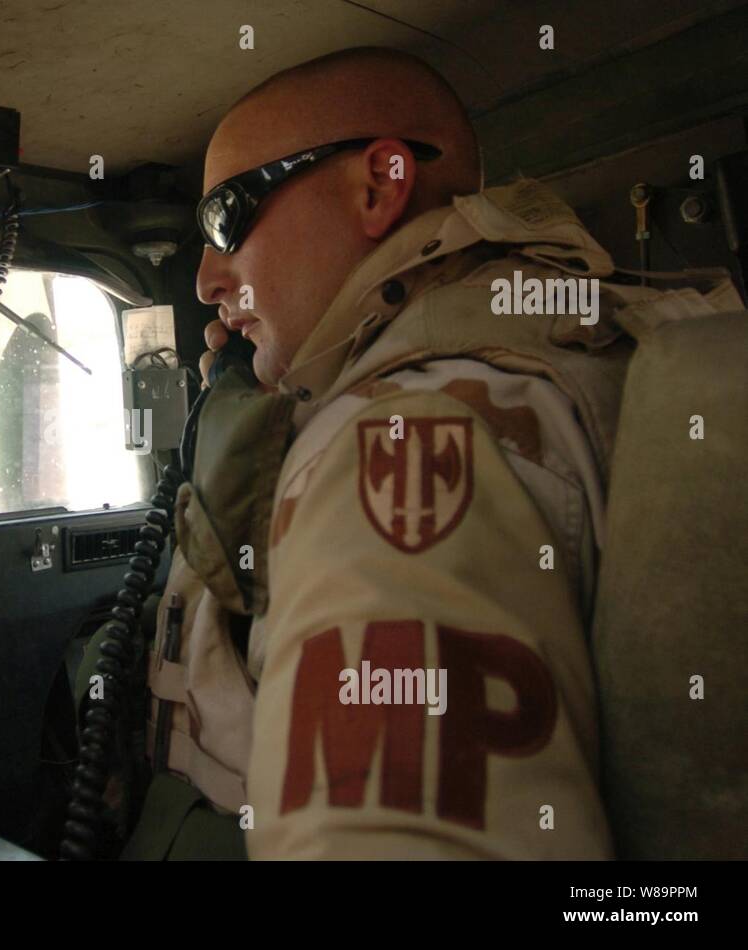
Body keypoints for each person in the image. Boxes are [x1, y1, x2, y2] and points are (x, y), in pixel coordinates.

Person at [123, 46, 740, 859]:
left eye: (225, 219)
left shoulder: (393, 438)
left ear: (379, 183)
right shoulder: (578, 344)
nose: (206, 278)